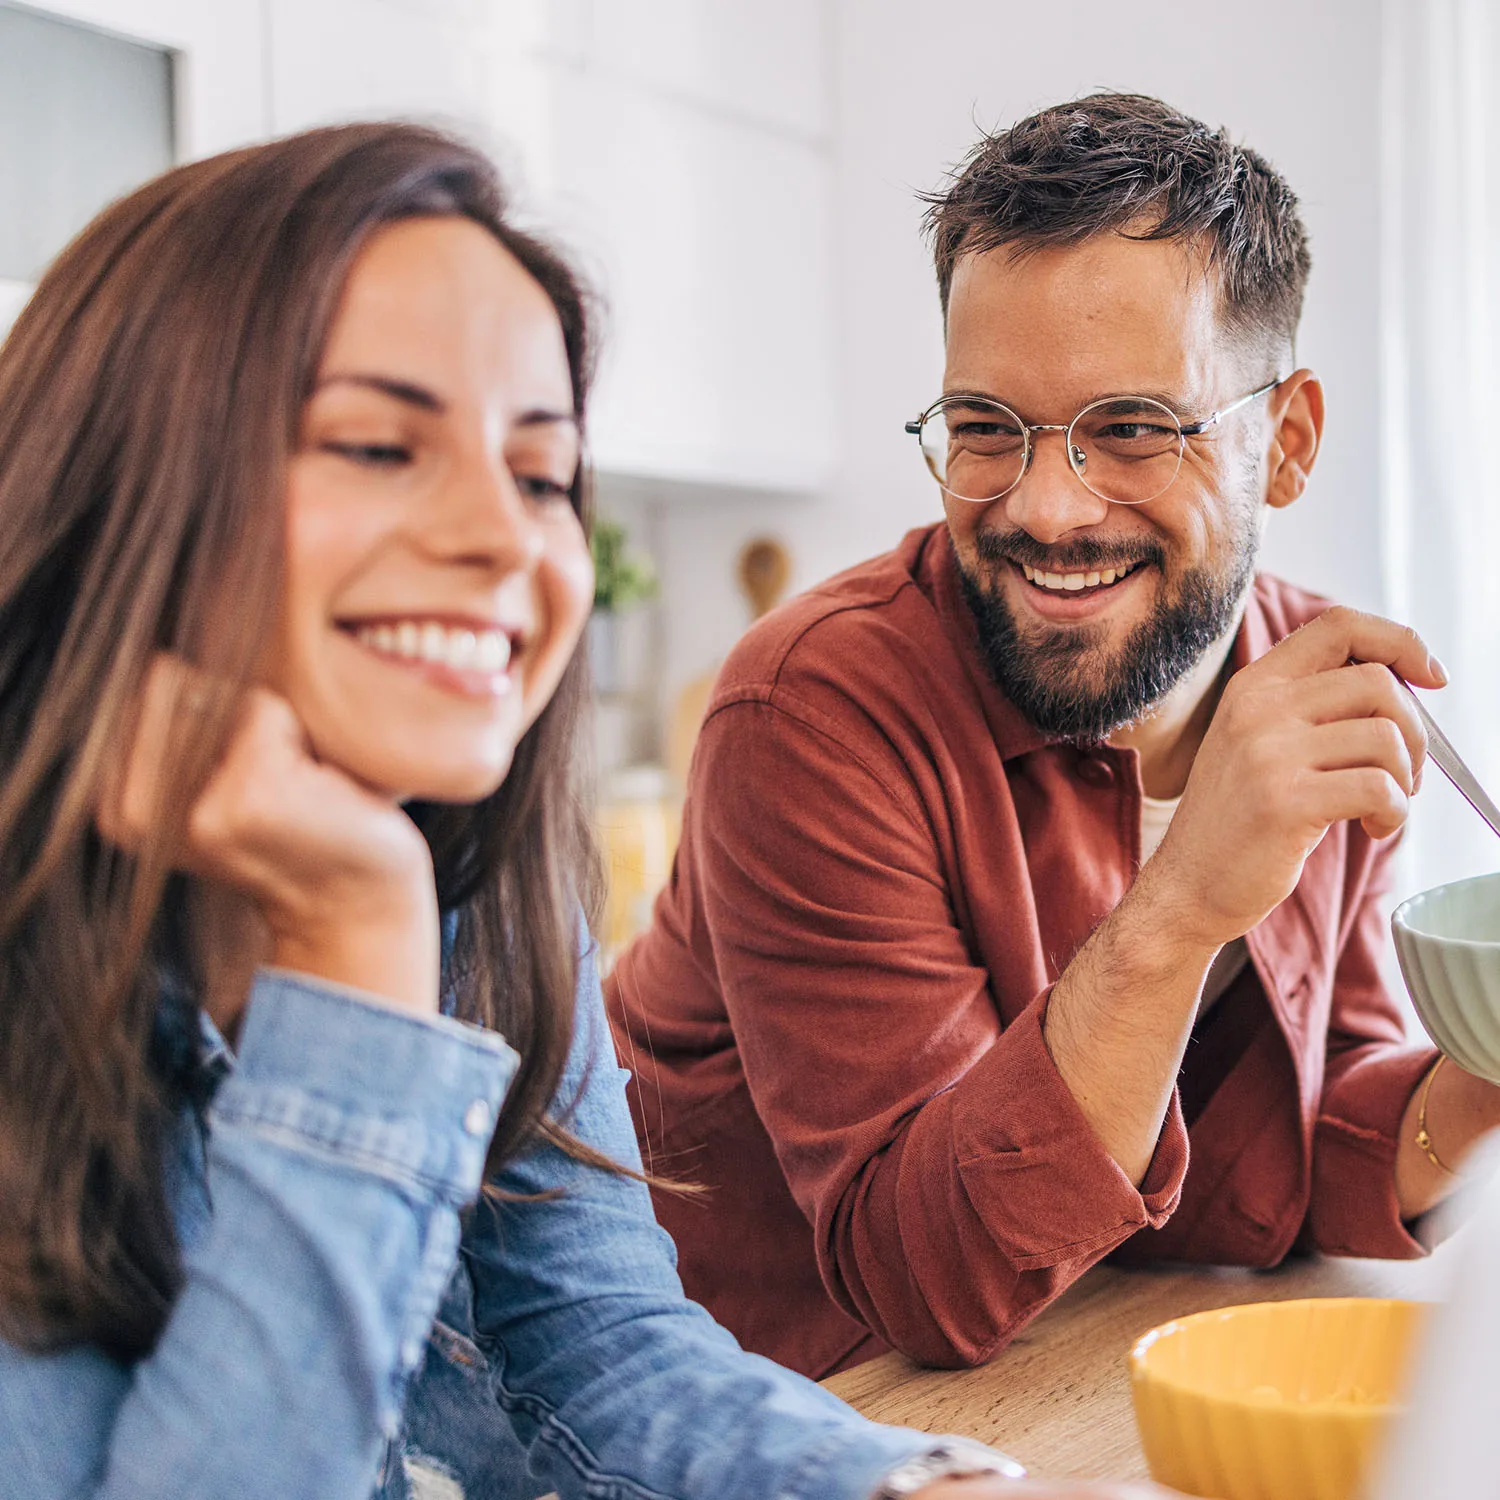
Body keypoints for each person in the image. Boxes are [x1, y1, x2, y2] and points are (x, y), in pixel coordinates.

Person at [0, 122, 1159, 1500]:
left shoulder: (477, 886)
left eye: (541, 474)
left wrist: (905, 1487)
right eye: (378, 445)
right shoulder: (367, 901)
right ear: (122, 483)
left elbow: (600, 1347)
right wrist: (356, 947)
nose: (507, 538)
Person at [606, 92, 1500, 1381]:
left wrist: (1486, 1074)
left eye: (1131, 429)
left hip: (1072, 1377)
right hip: (766, 1413)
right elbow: (925, 1280)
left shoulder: (1313, 693)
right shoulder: (808, 712)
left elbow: (1293, 1151)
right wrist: (1187, 900)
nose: (1046, 509)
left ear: (1288, 441)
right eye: (986, 429)